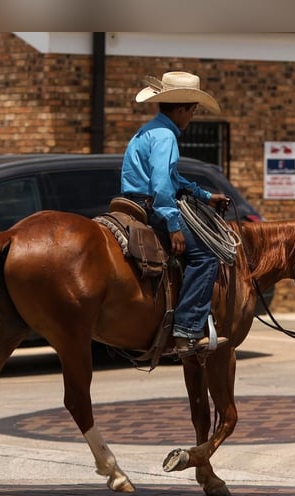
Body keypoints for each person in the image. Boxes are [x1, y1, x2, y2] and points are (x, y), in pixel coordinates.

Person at [121, 71, 229, 358]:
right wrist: (173, 224)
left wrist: (204, 195)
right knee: (205, 255)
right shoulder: (166, 136)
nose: (191, 118)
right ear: (181, 109)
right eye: (192, 112)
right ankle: (188, 329)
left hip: (132, 200)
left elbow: (172, 177)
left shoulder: (150, 129)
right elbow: (161, 184)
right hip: (152, 206)